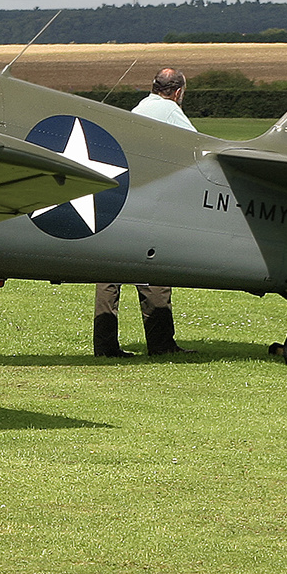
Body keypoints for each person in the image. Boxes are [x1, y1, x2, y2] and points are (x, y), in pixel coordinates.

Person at [94, 67, 196, 357]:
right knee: (153, 275)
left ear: (154, 87)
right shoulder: (170, 111)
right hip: (148, 202)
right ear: (177, 92)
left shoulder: (138, 108)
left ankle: (105, 347)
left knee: (109, 276)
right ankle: (161, 344)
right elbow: (198, 151)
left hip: (115, 198)